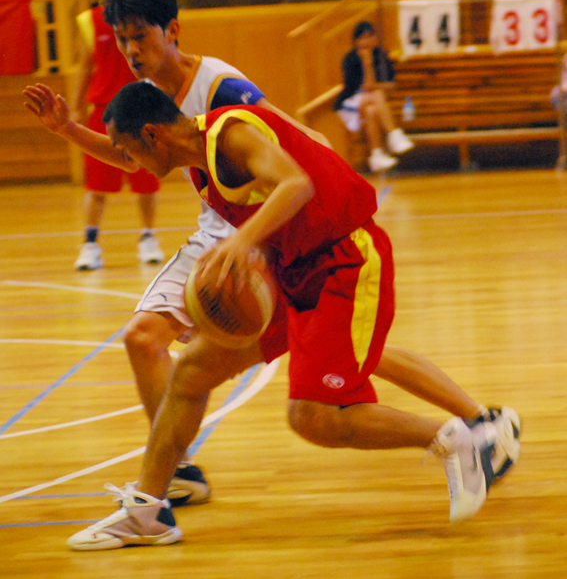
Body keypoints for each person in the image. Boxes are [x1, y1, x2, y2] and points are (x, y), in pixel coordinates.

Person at [23, 81, 521, 549]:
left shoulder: (230, 134)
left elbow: (296, 184)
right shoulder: (196, 160)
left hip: (345, 261)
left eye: (129, 147)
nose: (127, 159)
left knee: (312, 416)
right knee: (192, 371)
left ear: (152, 134)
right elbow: (132, 159)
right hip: (291, 271)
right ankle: (146, 513)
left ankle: (455, 441)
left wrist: (240, 242)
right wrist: (67, 129)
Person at [23, 0, 332, 508]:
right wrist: (67, 129)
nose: (130, 50)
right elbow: (130, 158)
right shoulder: (148, 95)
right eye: (122, 39)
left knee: (340, 347)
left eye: (139, 36)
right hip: (216, 229)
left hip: (262, 232)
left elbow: (299, 139)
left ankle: (465, 423)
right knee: (143, 338)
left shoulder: (220, 87)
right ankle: (180, 469)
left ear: (172, 31)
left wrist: (298, 226)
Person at [70, 0, 164, 271]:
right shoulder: (90, 20)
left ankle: (148, 237)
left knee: (147, 182)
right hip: (103, 112)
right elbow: (85, 67)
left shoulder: (147, 19)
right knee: (97, 185)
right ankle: (90, 243)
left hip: (143, 109)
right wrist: (76, 107)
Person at [334, 21, 415, 173]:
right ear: (356, 41)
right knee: (376, 94)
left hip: (369, 103)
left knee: (371, 111)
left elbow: (391, 84)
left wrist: (377, 84)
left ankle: (376, 154)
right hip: (350, 104)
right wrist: (367, 64)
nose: (367, 41)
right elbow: (364, 86)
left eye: (370, 37)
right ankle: (394, 134)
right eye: (363, 38)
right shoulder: (350, 59)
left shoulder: (382, 56)